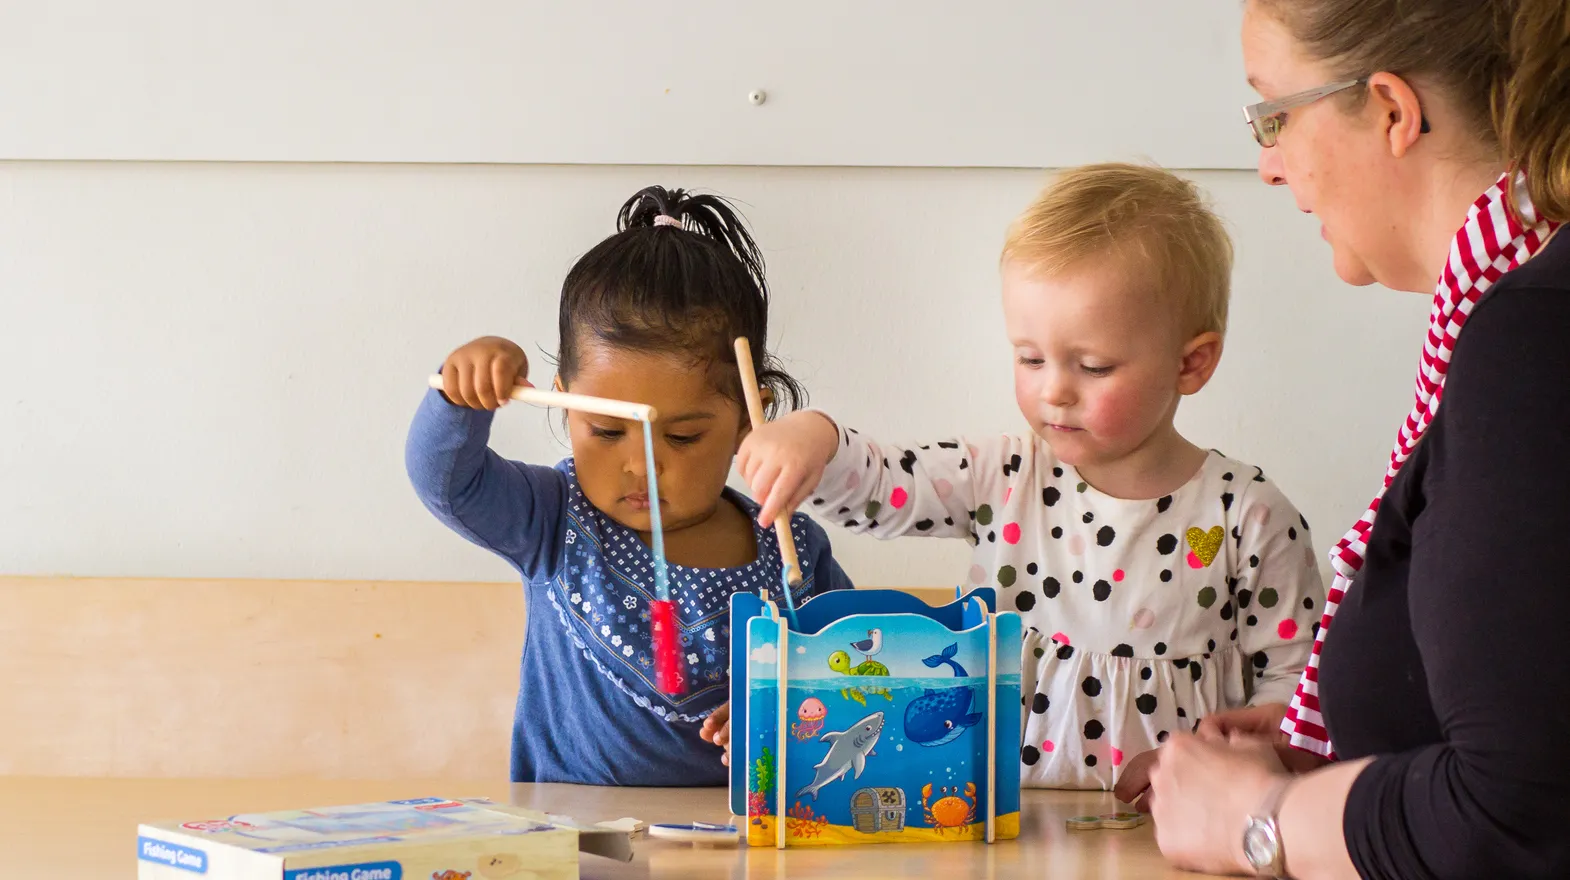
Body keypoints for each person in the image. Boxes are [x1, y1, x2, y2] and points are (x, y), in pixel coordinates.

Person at [1121, 1, 1570, 876]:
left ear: (1394, 111)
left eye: (1274, 116)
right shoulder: (1517, 315)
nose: (1269, 166)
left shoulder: (1533, 339)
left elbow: (1518, 817)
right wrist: (1354, 747)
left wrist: (1265, 818)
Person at [735, 163, 1325, 789]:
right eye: (1030, 358)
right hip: (1001, 822)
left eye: (1093, 366)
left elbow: (1296, 683)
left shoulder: (1249, 515)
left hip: (1178, 831)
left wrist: (1253, 759)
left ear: (1191, 363)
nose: (1054, 390)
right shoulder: (1001, 476)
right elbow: (882, 487)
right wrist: (818, 440)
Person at [406, 186, 853, 786]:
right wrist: (460, 395)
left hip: (744, 843)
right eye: (608, 431)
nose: (642, 465)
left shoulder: (790, 545)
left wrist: (781, 709)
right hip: (576, 844)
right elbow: (445, 482)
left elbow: (850, 671)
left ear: (750, 414)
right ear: (562, 399)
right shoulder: (550, 519)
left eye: (685, 437)